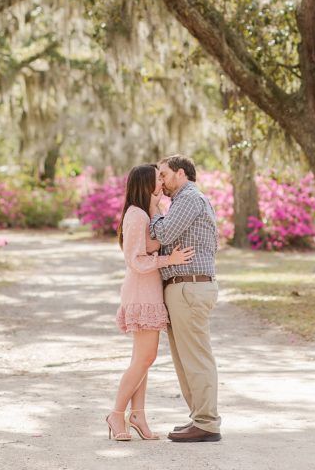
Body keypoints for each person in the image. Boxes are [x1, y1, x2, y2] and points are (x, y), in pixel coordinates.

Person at [106, 163, 194, 442]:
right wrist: (171, 259)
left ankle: (138, 415)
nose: (163, 182)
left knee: (142, 360)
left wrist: (156, 207)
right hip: (140, 292)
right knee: (146, 357)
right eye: (158, 179)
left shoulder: (148, 212)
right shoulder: (135, 216)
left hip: (150, 291)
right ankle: (116, 414)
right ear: (146, 184)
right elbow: (135, 260)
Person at [149, 153, 221, 443]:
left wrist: (153, 209)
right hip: (183, 288)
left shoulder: (190, 198)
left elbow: (164, 234)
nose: (161, 181)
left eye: (164, 174)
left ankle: (207, 422)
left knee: (196, 358)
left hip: (190, 288)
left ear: (181, 173)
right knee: (184, 359)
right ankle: (200, 418)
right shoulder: (181, 202)